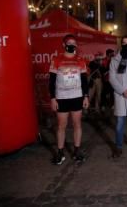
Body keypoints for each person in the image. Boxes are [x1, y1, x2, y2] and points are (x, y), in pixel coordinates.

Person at [49, 34, 89, 165]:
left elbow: (84, 81)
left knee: (77, 124)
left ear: (76, 45)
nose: (72, 45)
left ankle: (76, 151)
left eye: (74, 43)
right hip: (62, 98)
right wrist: (53, 98)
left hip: (77, 96)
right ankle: (60, 152)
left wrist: (86, 96)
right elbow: (51, 81)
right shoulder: (56, 59)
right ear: (63, 45)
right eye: (69, 43)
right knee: (61, 126)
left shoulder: (80, 60)